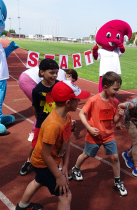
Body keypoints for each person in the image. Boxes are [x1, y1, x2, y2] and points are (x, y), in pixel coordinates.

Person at [15, 80, 90, 210]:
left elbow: (67, 141)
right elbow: (45, 154)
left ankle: (22, 206)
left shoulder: (66, 117)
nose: (79, 102)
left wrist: (65, 166)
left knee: (38, 181)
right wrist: (59, 176)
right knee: (65, 195)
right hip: (42, 163)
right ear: (68, 103)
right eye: (77, 99)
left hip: (47, 162)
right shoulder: (52, 125)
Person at [71, 72, 127, 196]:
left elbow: (114, 120)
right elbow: (81, 114)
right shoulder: (93, 100)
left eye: (118, 89)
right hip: (94, 136)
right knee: (86, 155)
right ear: (105, 87)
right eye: (115, 89)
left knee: (115, 157)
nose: (117, 91)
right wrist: (89, 128)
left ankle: (117, 181)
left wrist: (120, 115)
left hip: (108, 135)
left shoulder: (114, 101)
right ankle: (75, 169)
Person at [19, 59, 60, 176]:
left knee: (57, 143)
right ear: (42, 72)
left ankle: (57, 165)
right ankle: (29, 161)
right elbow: (35, 108)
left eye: (56, 73)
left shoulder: (59, 86)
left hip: (56, 121)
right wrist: (39, 120)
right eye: (51, 72)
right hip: (42, 122)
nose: (54, 75)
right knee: (35, 144)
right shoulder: (37, 89)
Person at [18, 66, 67, 141]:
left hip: (25, 77)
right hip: (28, 80)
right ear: (69, 75)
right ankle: (35, 132)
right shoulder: (61, 74)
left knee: (45, 105)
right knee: (45, 106)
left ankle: (37, 131)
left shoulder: (57, 72)